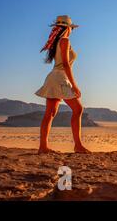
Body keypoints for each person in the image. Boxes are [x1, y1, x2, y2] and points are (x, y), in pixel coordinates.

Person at [35, 15, 90, 154]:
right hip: (60, 77)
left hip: (54, 76)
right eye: (71, 28)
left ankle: (43, 147)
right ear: (68, 28)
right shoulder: (65, 40)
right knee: (78, 109)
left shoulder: (57, 41)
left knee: (50, 113)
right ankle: (77, 145)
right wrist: (74, 84)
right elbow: (65, 64)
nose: (72, 31)